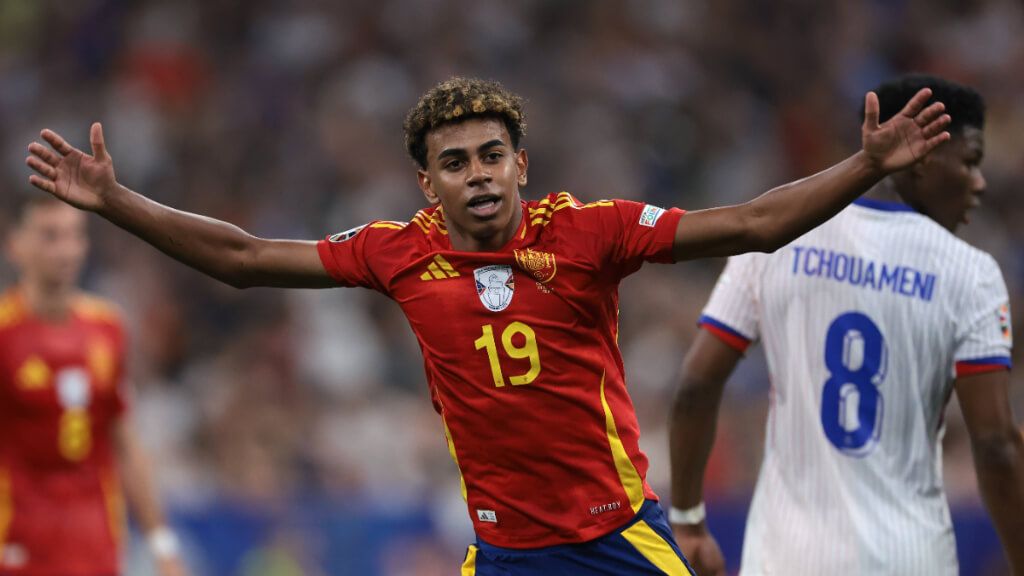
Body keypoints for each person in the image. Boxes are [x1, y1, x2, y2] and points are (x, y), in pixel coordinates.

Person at [24, 77, 949, 575]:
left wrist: (865, 166)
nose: (478, 174)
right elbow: (241, 258)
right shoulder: (397, 251)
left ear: (521, 163)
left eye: (492, 155)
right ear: (428, 183)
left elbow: (752, 224)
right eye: (454, 161)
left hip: (618, 538)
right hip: (505, 555)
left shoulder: (593, 231)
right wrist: (114, 202)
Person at [668, 75, 1024, 575]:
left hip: (784, 556)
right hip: (909, 556)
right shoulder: (971, 273)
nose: (979, 182)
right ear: (921, 159)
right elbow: (995, 444)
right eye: (969, 162)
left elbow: (695, 385)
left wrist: (688, 520)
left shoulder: (778, 238)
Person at [0, 195, 189, 575]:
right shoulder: (5, 334)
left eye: (74, 236)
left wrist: (162, 544)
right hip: (17, 539)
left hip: (95, 541)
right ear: (15, 245)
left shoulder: (107, 328)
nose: (66, 250)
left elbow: (123, 439)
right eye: (50, 236)